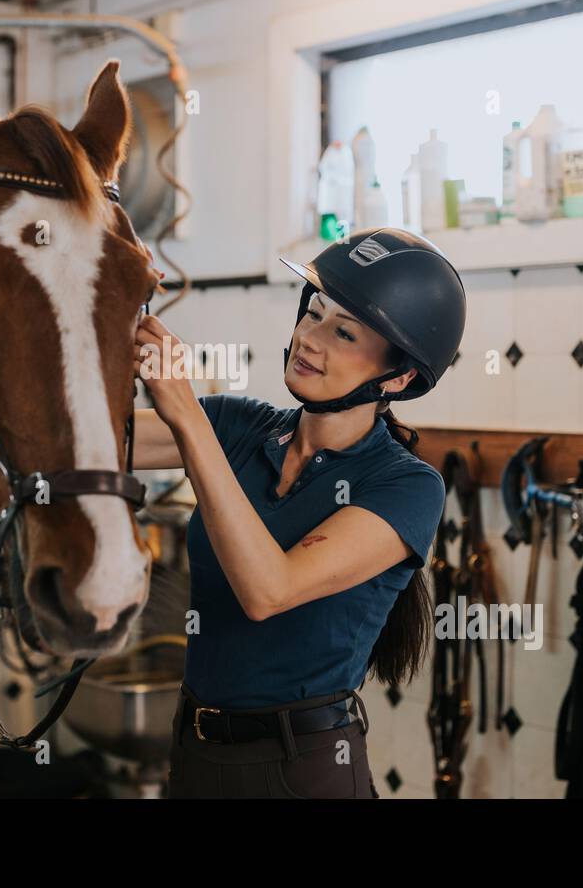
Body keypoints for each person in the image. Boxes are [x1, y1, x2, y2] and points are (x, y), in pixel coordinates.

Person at [132, 227, 466, 798]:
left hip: (301, 770)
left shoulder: (406, 487)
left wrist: (188, 419)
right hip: (193, 754)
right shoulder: (240, 425)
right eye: (312, 313)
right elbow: (73, 440)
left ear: (400, 376)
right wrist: (109, 295)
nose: (310, 339)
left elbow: (268, 589)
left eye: (343, 332)